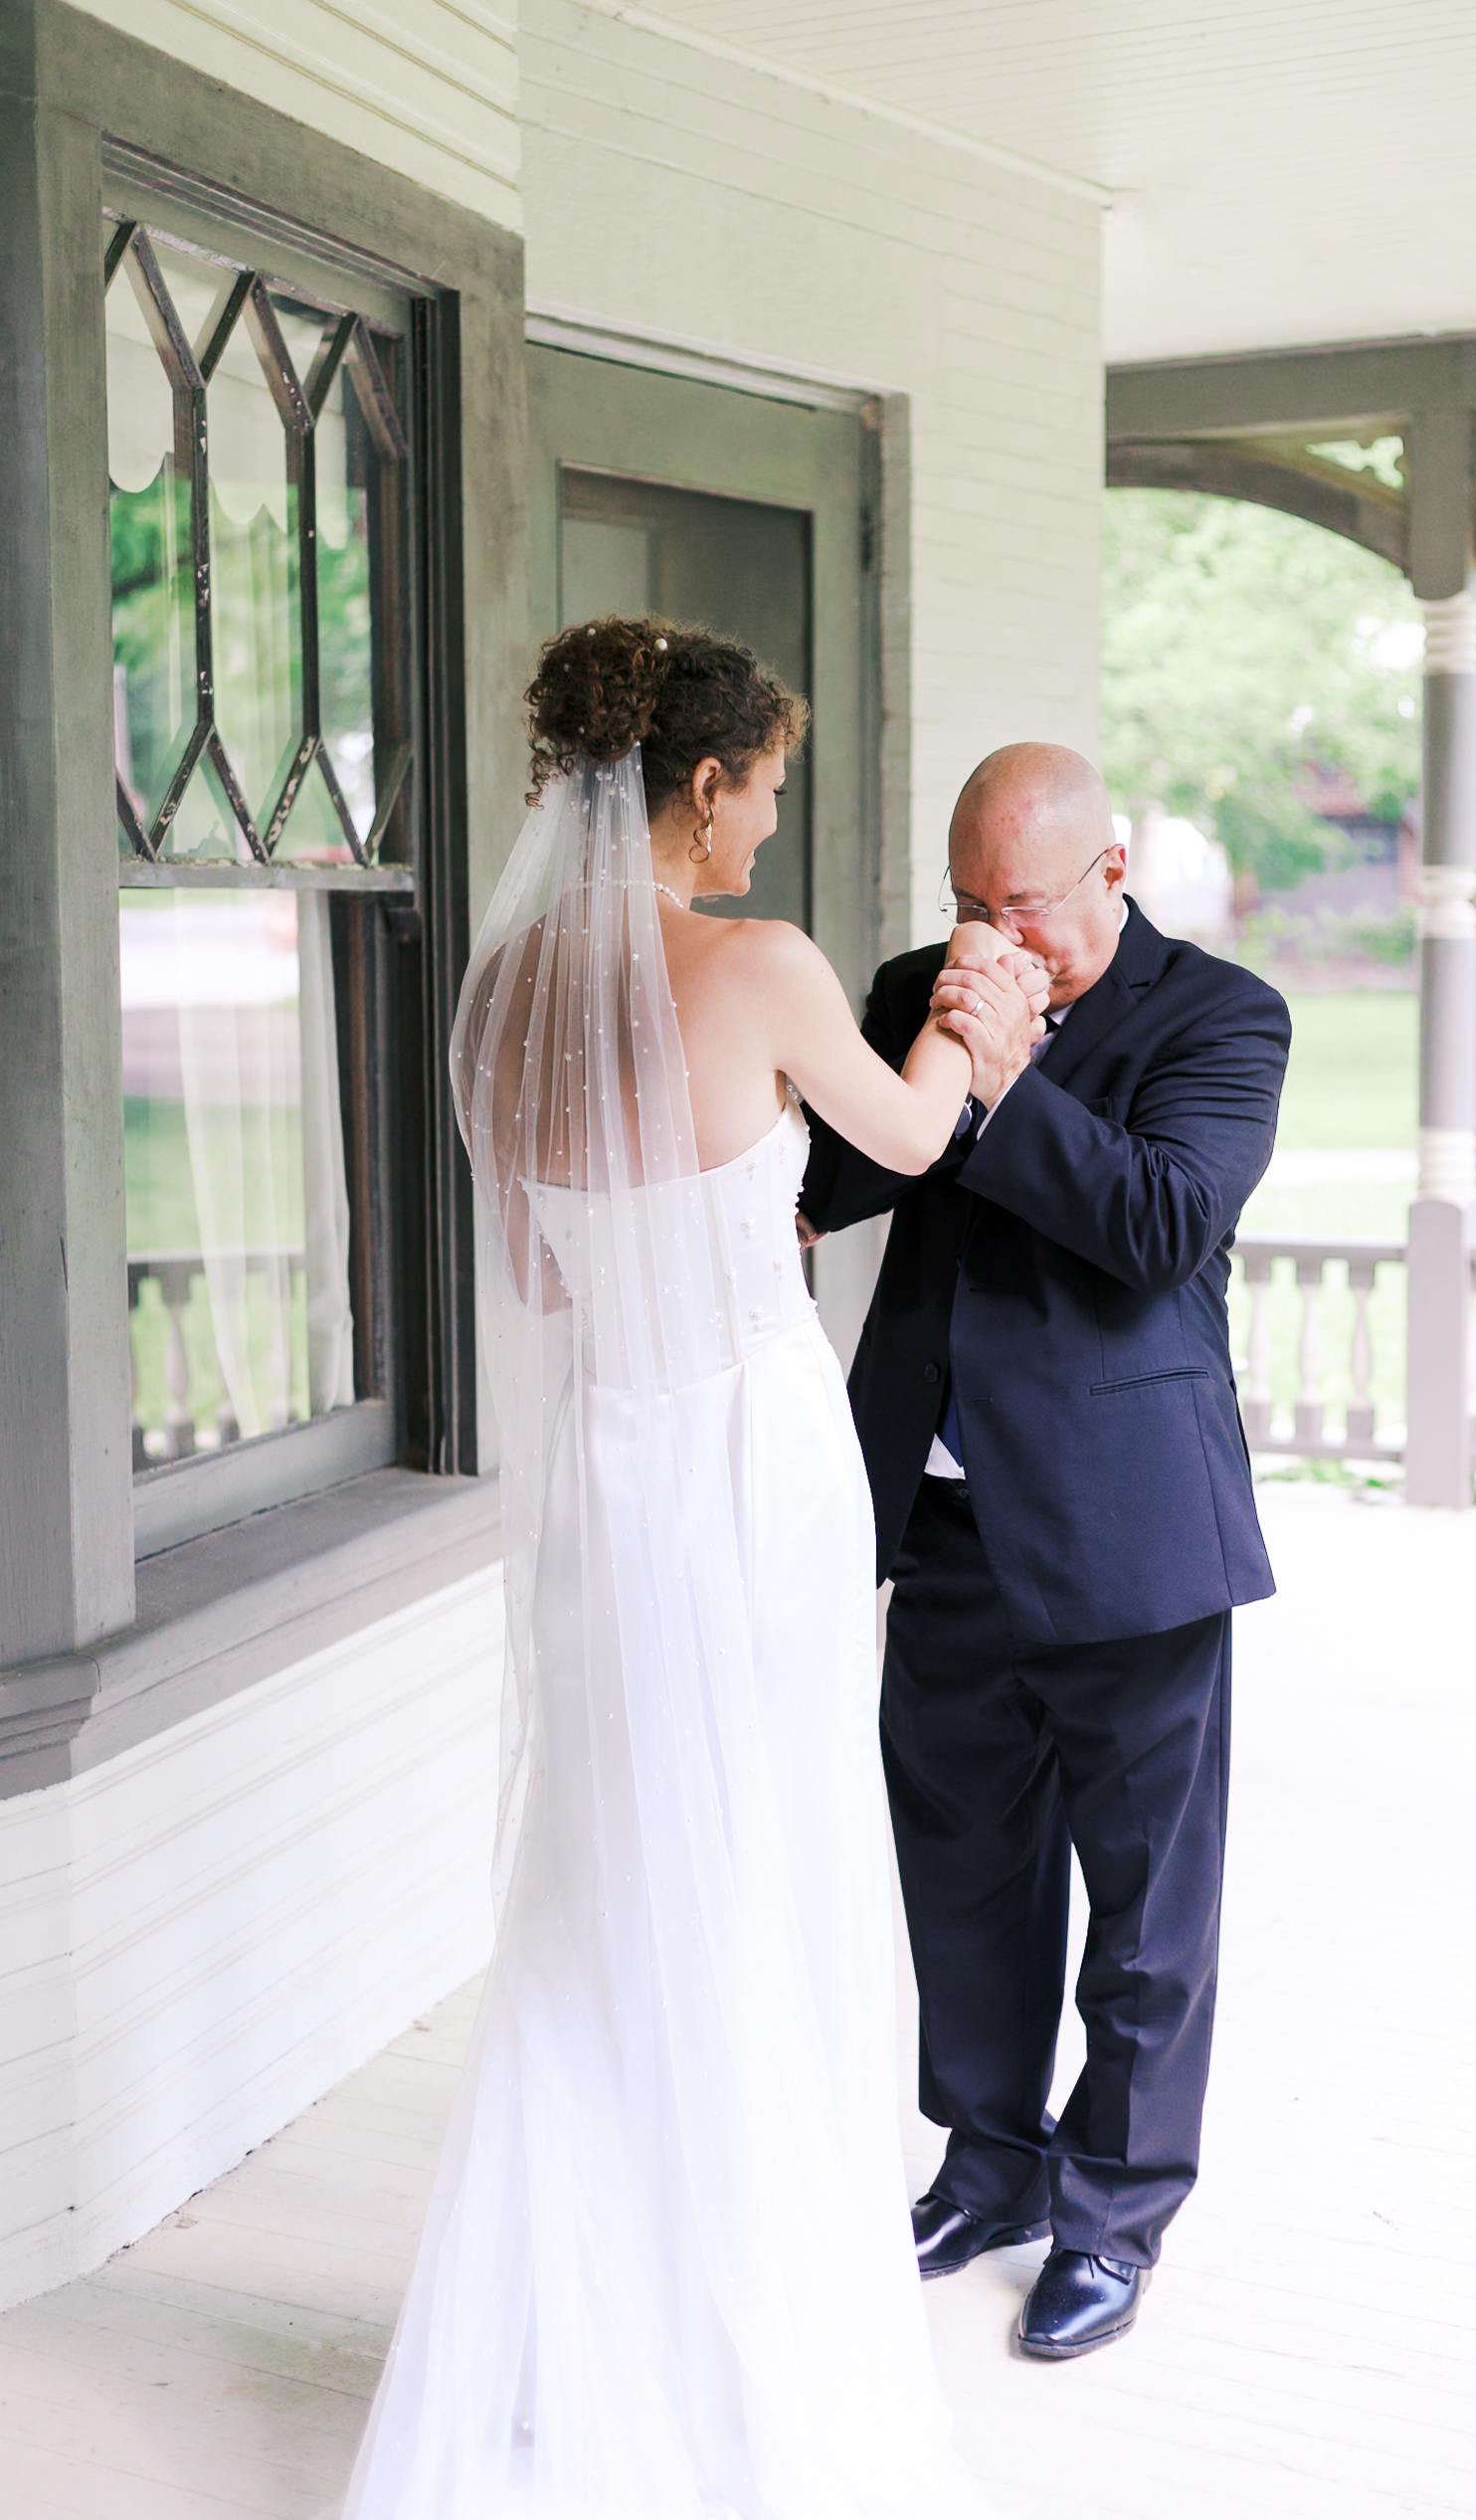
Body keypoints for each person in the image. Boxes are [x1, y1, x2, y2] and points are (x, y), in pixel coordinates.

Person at [341, 620, 1041, 2519]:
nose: (768, 824)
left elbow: (546, 1276)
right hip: (743, 1463)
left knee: (607, 1881)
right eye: (768, 789)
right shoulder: (759, 967)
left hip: (598, 1475)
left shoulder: (498, 997)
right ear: (705, 782)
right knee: (772, 1873)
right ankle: (748, 2337)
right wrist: (972, 1028)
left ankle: (582, 2324)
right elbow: (903, 1137)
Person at [800, 742, 1291, 2362]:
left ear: (1110, 869)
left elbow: (1159, 1223)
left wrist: (1005, 1079)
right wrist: (908, 1052)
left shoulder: (1219, 1016)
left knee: (1146, 1903)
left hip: (1130, 1533)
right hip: (940, 1516)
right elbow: (846, 1177)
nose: (988, 937)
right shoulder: (909, 985)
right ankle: (990, 2163)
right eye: (963, 901)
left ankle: (1114, 2212)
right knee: (962, 1869)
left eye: (1018, 903)